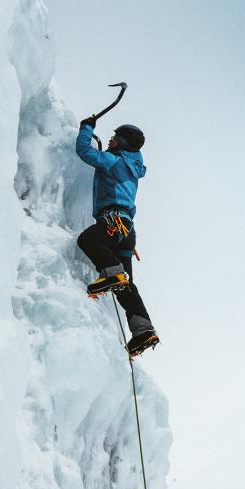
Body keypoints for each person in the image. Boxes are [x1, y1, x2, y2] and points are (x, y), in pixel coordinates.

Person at [75, 116, 159, 357]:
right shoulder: (132, 168)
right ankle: (143, 331)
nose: (110, 139)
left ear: (120, 142)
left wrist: (86, 128)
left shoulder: (112, 161)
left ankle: (113, 273)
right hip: (126, 231)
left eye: (114, 137)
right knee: (126, 287)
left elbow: (84, 151)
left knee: (87, 240)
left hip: (112, 223)